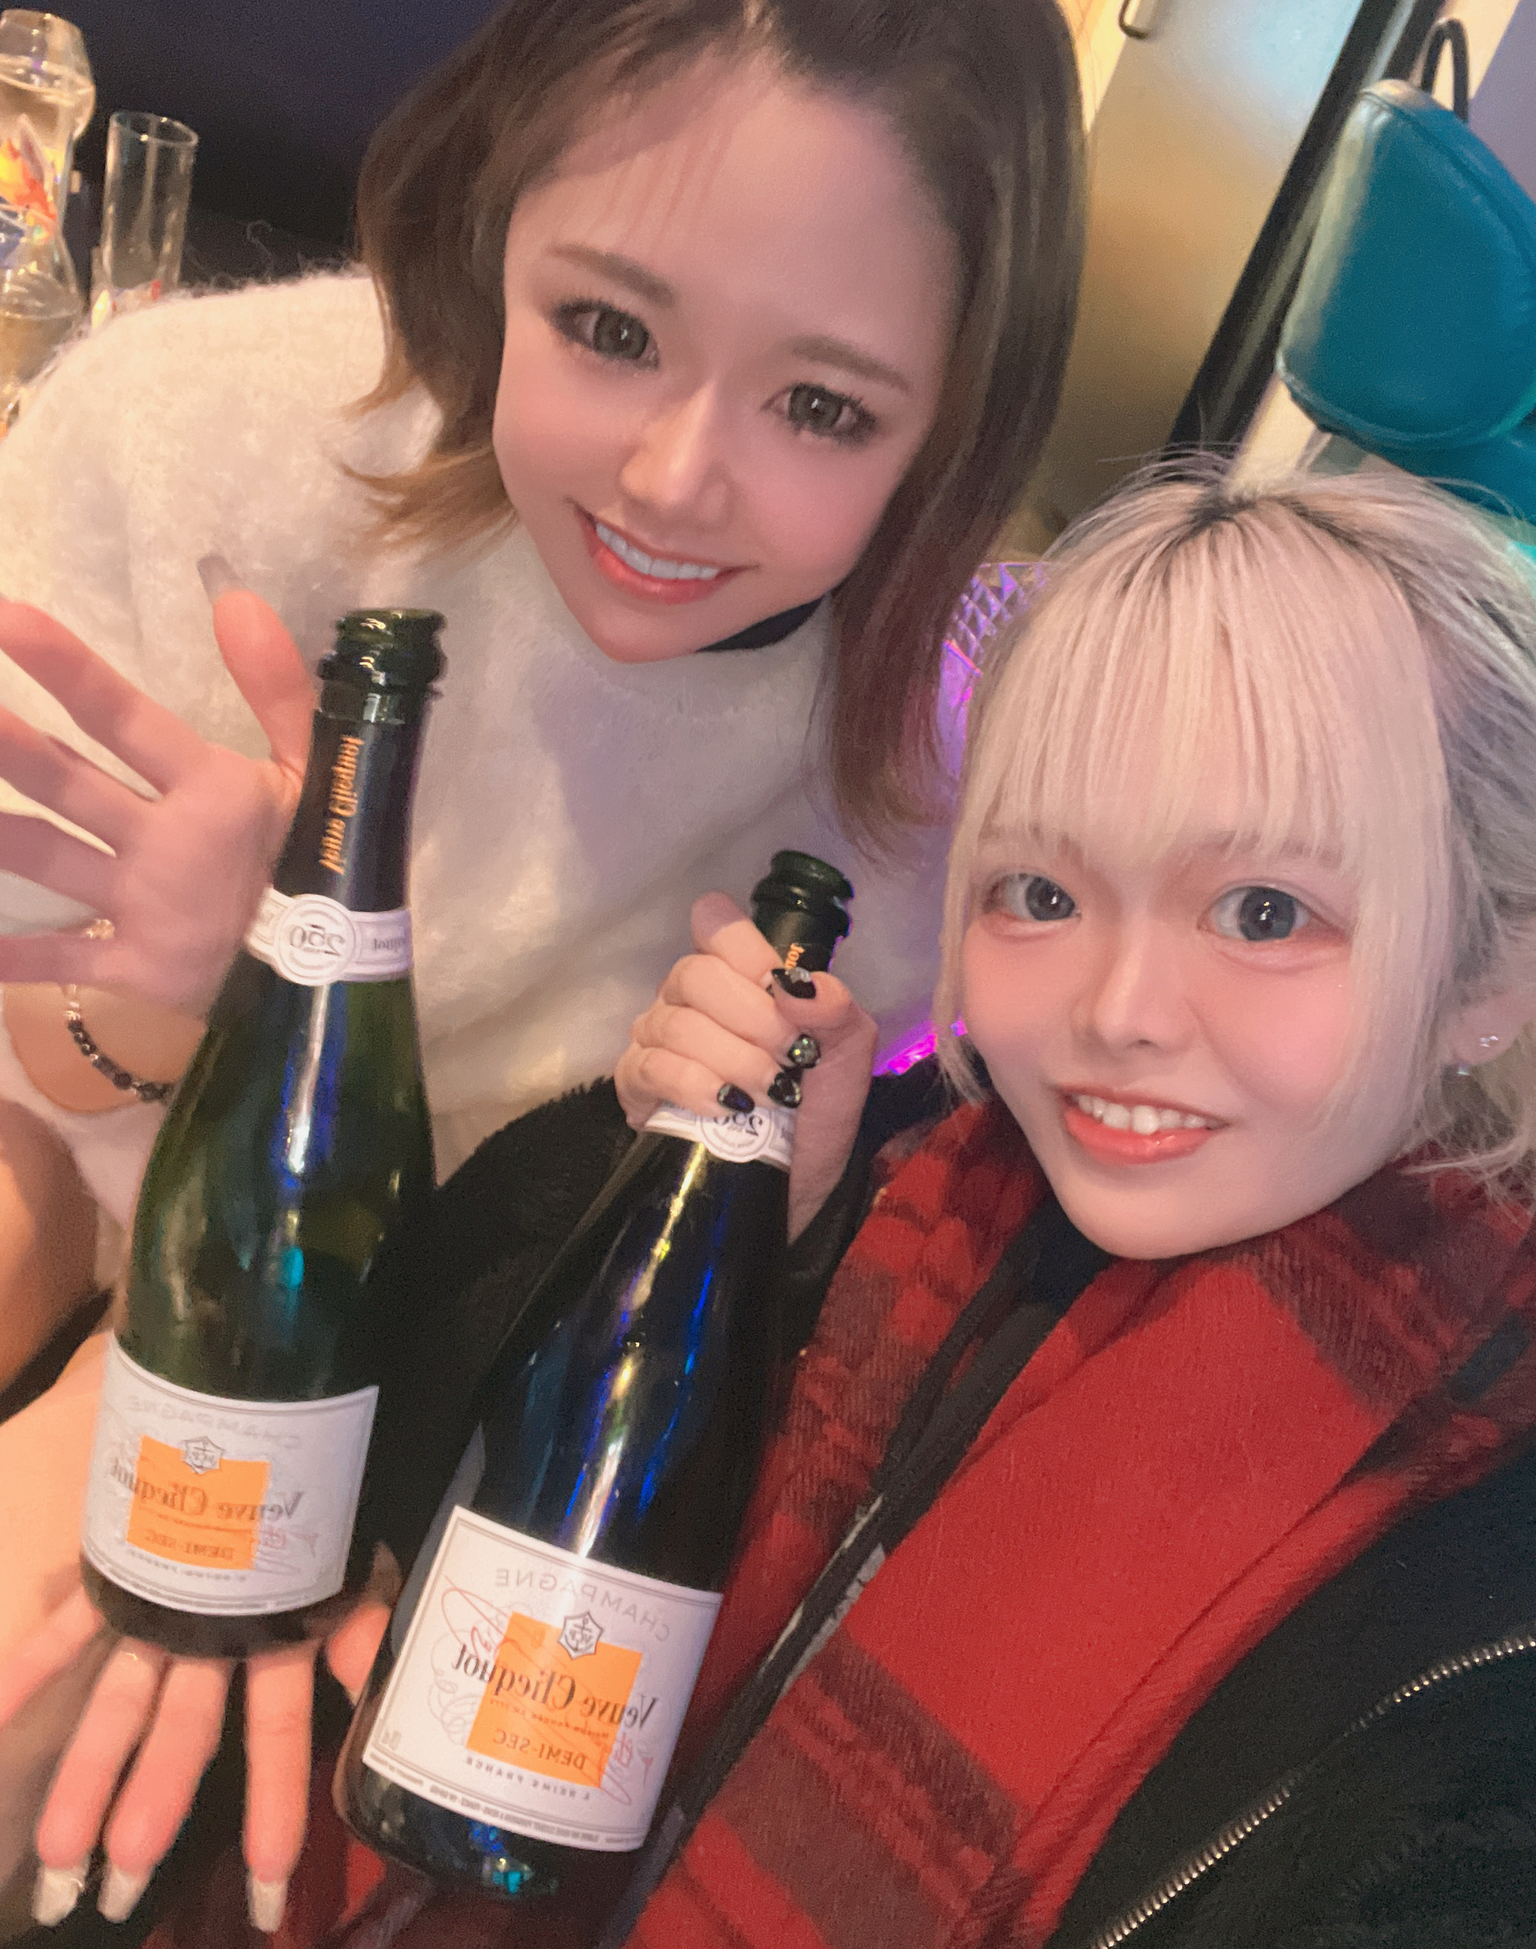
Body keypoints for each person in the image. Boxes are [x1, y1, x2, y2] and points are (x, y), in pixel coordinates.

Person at [0, 0, 1084, 1920]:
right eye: (608, 328)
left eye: (823, 409)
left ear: (956, 424)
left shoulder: (957, 782)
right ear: (495, 219)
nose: (674, 478)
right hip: (101, 1183)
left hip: (411, 1375)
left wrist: (797, 1170)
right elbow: (54, 1100)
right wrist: (170, 1007)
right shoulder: (207, 442)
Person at [79, 458, 1536, 1949]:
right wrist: (753, 1236)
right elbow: (430, 1460)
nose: (1116, 1012)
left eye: (1265, 912)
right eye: (1040, 894)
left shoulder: (1476, 1619)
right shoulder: (920, 1185)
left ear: (1489, 974)